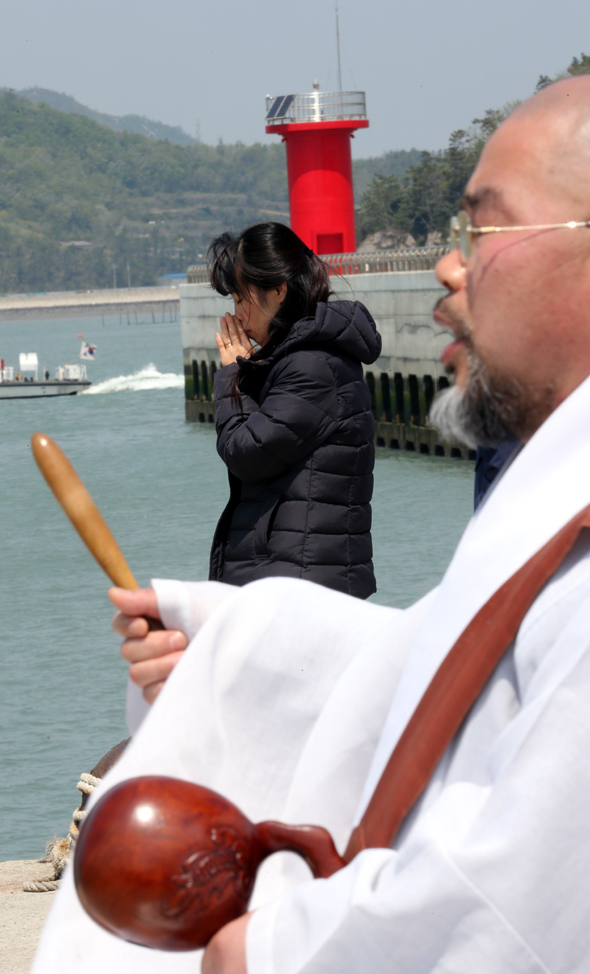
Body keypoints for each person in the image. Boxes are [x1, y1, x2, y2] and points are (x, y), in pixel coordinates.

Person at [34, 76, 590, 973]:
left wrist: (273, 946)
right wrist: (229, 650)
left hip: (304, 561)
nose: (449, 268)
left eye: (480, 230)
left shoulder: (309, 368)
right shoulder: (551, 491)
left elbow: (512, 895)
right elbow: (442, 667)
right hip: (292, 572)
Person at [207, 223, 380, 599]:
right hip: (296, 576)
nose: (237, 316)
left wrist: (230, 377)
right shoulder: (297, 358)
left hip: (300, 585)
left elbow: (247, 453)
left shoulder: (311, 366)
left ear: (278, 290)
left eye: (240, 300)